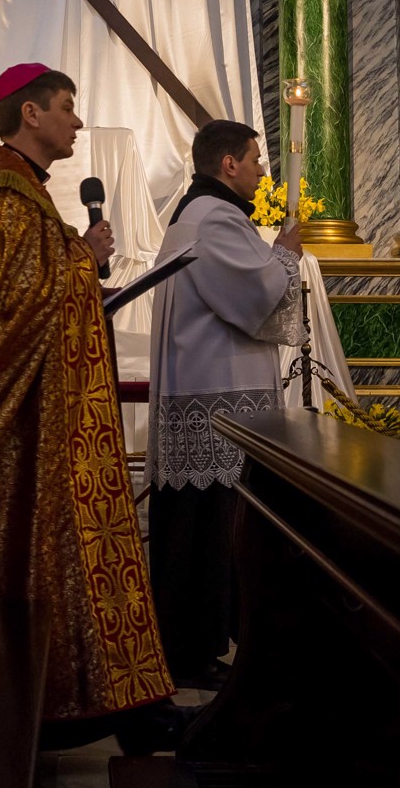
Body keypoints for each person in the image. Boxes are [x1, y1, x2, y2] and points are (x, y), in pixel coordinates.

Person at [0, 62, 178, 746]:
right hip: (16, 425)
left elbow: (29, 294)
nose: (78, 122)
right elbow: (28, 308)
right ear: (30, 114)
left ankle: (118, 706)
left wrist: (76, 257)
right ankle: (76, 703)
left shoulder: (17, 194)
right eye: (67, 107)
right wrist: (81, 263)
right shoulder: (5, 200)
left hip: (33, 417)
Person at [147, 119, 302, 690]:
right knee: (209, 532)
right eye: (256, 160)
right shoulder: (214, 218)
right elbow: (256, 295)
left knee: (201, 529)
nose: (263, 171)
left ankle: (196, 645)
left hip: (206, 391)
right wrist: (284, 255)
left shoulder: (199, 214)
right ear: (228, 164)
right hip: (215, 399)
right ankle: (192, 652)